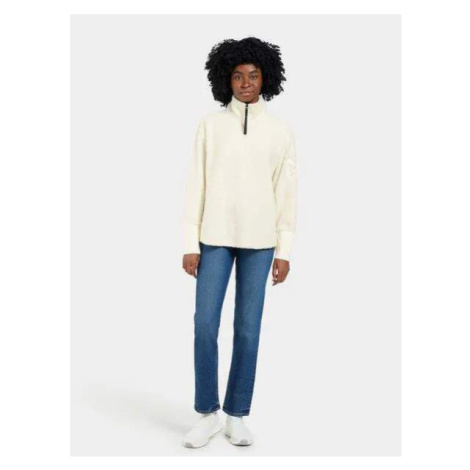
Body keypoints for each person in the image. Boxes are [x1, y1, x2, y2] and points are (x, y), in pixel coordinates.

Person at [181, 37, 298, 448]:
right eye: (237, 76)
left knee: (248, 330)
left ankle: (236, 414)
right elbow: (196, 184)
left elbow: (286, 194)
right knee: (204, 325)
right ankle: (207, 413)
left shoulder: (280, 132)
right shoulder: (210, 126)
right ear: (225, 79)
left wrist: (284, 250)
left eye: (253, 75)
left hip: (261, 243)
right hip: (213, 238)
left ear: (266, 78)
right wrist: (190, 242)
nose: (245, 83)